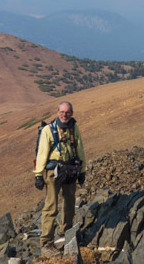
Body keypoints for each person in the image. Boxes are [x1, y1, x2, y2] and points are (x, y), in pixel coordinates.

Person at [33, 101, 86, 256]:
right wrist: (38, 175)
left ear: (72, 113)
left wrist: (82, 171)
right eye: (62, 112)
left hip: (70, 171)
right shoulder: (48, 130)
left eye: (67, 112)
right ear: (57, 112)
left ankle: (66, 232)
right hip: (53, 173)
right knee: (51, 206)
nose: (64, 115)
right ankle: (46, 244)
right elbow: (42, 153)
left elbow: (80, 149)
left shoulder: (74, 128)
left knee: (69, 203)